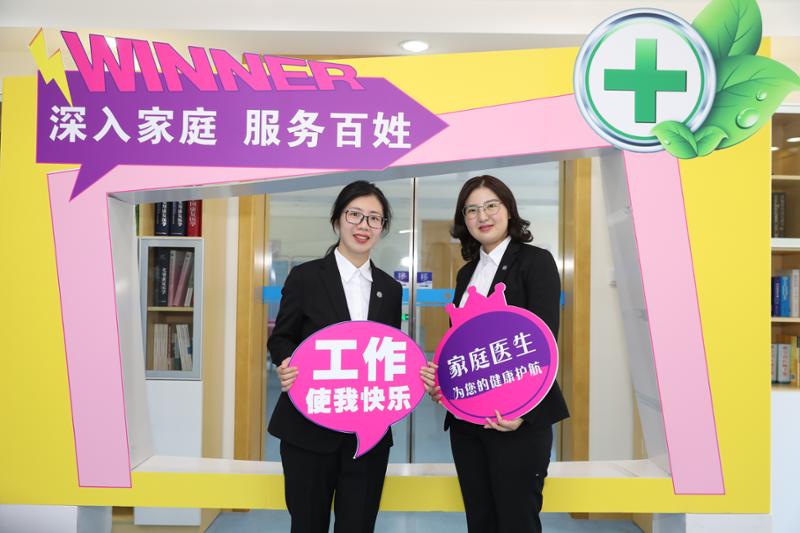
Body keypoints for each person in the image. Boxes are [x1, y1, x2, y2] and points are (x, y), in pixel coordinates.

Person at [421, 174, 569, 533]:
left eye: (491, 206)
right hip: (468, 423)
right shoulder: (466, 274)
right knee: (480, 521)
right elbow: (465, 346)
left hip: (516, 422)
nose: (482, 216)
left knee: (517, 522)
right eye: (471, 210)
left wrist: (522, 411)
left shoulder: (535, 262)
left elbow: (543, 341)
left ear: (509, 210)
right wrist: (445, 383)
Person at [267, 180, 402, 533]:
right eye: (354, 214)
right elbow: (281, 338)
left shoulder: (390, 289)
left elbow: (390, 351)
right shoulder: (306, 277)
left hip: (367, 434)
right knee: (307, 525)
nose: (364, 225)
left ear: (382, 227)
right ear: (337, 220)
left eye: (374, 218)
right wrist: (286, 362)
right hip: (308, 429)